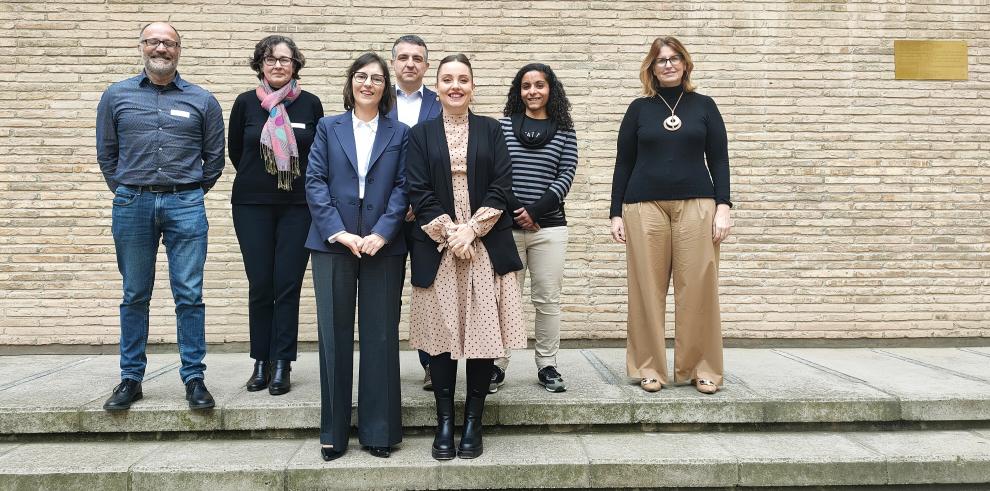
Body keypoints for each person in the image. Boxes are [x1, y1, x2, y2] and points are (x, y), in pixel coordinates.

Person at [96, 22, 224, 411]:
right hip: (132, 203)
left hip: (186, 203)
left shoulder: (202, 100)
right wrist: (125, 189)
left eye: (169, 43)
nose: (161, 48)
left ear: (179, 50)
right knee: (135, 293)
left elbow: (214, 159)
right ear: (141, 47)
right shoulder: (116, 96)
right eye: (154, 41)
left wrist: (188, 192)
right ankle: (131, 378)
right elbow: (107, 154)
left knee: (189, 293)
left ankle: (194, 377)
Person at [406, 54, 526, 460]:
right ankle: (444, 422)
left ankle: (473, 421)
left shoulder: (492, 130)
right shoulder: (420, 134)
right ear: (436, 86)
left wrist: (472, 229)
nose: (455, 86)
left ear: (473, 86)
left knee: (481, 335)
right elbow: (417, 189)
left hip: (485, 245)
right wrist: (449, 232)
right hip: (437, 245)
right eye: (447, 79)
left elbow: (502, 183)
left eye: (463, 79)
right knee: (440, 339)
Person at [609, 36, 733, 395]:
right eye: (661, 59)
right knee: (646, 290)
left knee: (698, 288)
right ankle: (649, 368)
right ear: (651, 66)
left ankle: (702, 368)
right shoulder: (638, 109)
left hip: (698, 205)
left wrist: (723, 206)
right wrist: (615, 212)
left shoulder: (705, 106)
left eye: (675, 58)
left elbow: (720, 160)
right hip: (643, 206)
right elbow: (624, 162)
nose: (668, 64)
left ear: (685, 64)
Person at [305, 52, 408, 461]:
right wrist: (339, 231)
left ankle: (379, 430)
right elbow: (314, 181)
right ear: (350, 83)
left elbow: (404, 187)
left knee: (381, 336)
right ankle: (333, 432)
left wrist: (383, 232)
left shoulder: (399, 132)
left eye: (377, 79)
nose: (368, 83)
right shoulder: (328, 128)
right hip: (332, 242)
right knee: (334, 335)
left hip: (384, 246)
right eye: (361, 76)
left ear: (386, 88)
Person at [228, 35, 324, 396]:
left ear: (296, 64)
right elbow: (237, 152)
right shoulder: (244, 104)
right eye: (271, 59)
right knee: (260, 284)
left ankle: (282, 362)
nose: (278, 65)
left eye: (285, 59)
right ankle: (260, 361)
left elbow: (319, 156)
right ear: (260, 65)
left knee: (287, 284)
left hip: (298, 207)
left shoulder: (311, 105)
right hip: (252, 205)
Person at [493, 63, 578, 394]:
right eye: (526, 85)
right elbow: (496, 173)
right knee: (503, 300)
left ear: (550, 89)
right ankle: (496, 366)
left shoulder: (565, 130)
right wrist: (518, 211)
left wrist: (536, 211)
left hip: (550, 229)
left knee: (547, 300)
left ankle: (547, 365)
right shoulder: (502, 127)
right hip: (507, 228)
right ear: (519, 91)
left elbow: (565, 174)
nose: (532, 91)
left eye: (539, 85)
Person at [387, 34, 441, 391]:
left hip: (426, 214)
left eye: (417, 58)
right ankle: (384, 364)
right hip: (385, 215)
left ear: (425, 65)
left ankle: (432, 364)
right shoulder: (376, 99)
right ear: (393, 63)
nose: (410, 63)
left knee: (429, 289)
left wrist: (418, 202)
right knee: (386, 292)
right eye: (403, 57)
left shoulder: (440, 103)